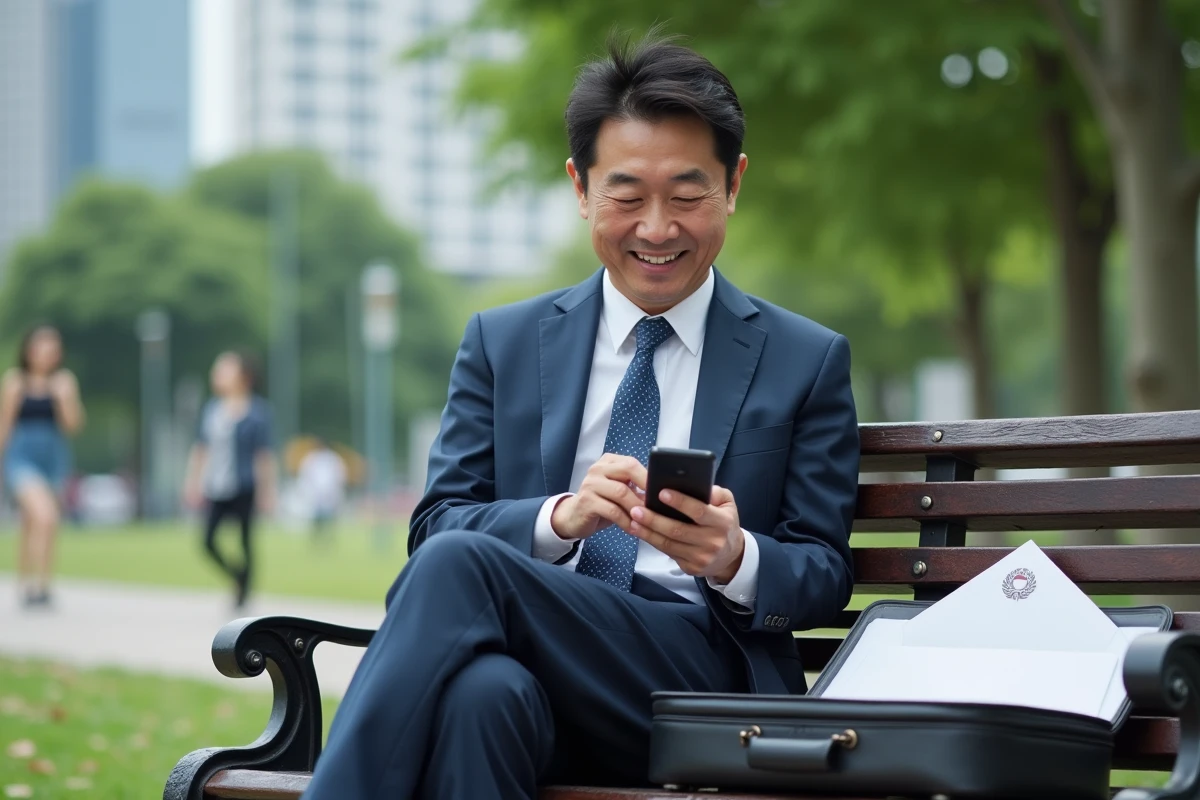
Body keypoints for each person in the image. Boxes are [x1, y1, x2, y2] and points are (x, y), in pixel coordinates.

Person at [304, 32, 859, 800]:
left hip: (701, 682)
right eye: (627, 196)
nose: (657, 228)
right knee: (481, 697)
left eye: (688, 195)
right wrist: (559, 519)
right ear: (579, 187)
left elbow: (825, 573)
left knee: (465, 569)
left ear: (734, 184)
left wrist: (733, 555)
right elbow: (435, 526)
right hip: (542, 675)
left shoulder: (806, 357)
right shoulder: (501, 343)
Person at [182, 351, 276, 609]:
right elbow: (201, 448)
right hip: (216, 485)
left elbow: (264, 455)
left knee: (246, 540)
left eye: (224, 369)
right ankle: (238, 575)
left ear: (243, 376)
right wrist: (192, 481)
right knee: (208, 541)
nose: (217, 374)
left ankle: (243, 593)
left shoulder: (257, 412)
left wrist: (268, 491)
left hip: (244, 485)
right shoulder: (212, 410)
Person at [0, 326, 86, 608]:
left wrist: (64, 398)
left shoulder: (64, 382)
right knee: (45, 516)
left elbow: (73, 426)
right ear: (29, 351)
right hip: (21, 457)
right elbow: (5, 427)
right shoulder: (15, 382)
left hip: (53, 457)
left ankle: (30, 583)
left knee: (31, 523)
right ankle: (38, 587)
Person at [296, 438, 347, 538]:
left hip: (330, 492)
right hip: (316, 492)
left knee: (330, 515)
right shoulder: (311, 458)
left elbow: (339, 474)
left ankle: (329, 535)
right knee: (317, 515)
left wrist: (336, 488)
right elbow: (305, 475)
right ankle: (317, 535)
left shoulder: (332, 458)